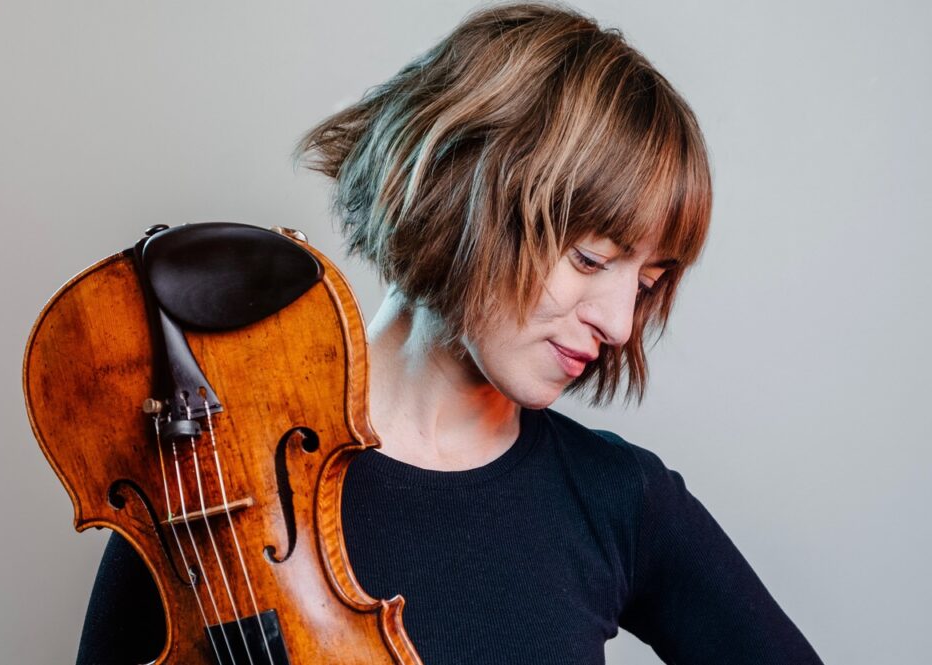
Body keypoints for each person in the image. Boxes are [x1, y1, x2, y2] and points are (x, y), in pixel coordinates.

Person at [77, 2, 825, 663]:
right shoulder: (216, 483)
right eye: (590, 258)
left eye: (648, 283)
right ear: (461, 191)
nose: (620, 321)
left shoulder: (620, 501)